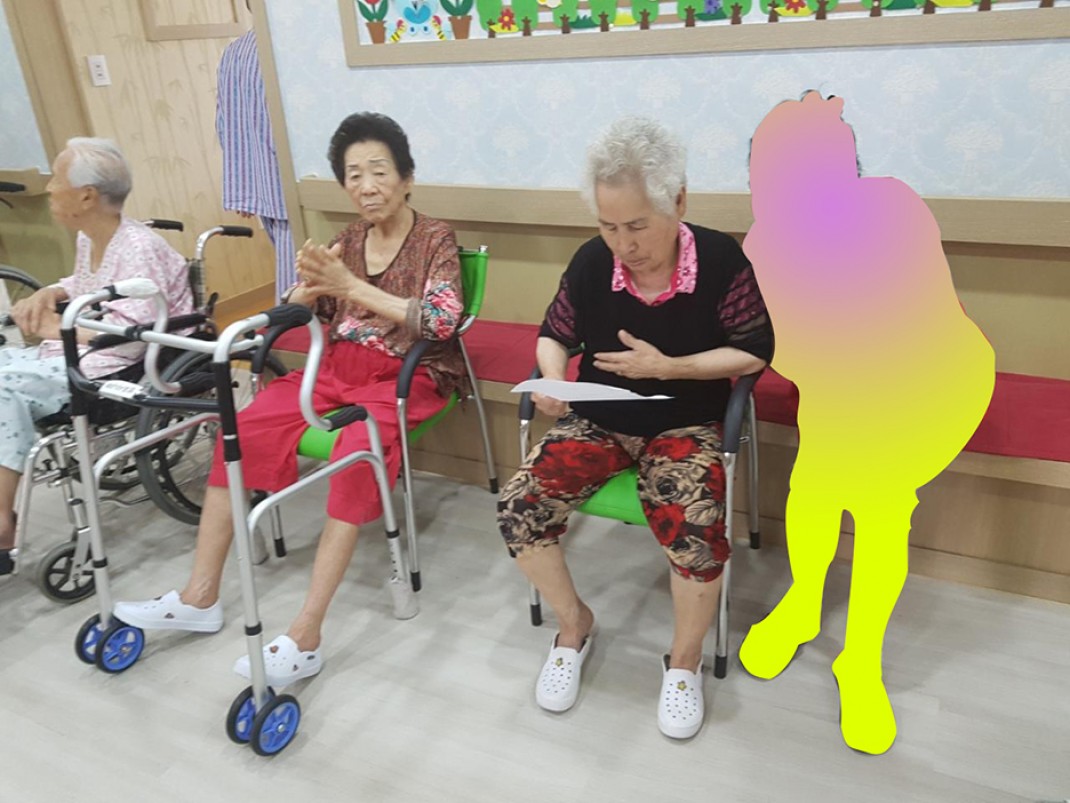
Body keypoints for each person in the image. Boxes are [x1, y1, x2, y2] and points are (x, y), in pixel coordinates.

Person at [114, 112, 466, 687]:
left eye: (379, 171)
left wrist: (350, 286)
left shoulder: (434, 238)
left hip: (408, 374)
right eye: (353, 175)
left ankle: (307, 633)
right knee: (244, 427)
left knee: (355, 453)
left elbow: (441, 321)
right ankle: (200, 595)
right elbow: (309, 308)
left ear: (407, 178)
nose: (367, 185)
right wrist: (304, 291)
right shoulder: (347, 240)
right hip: (337, 367)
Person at [497, 117, 774, 739]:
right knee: (519, 508)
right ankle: (574, 626)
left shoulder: (721, 260)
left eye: (638, 226)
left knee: (695, 527)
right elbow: (554, 333)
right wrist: (551, 378)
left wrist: (670, 367)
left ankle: (683, 662)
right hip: (598, 418)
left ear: (679, 201)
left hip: (685, 423)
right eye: (608, 226)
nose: (623, 244)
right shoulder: (592, 262)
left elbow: (755, 350)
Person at [738, 91, 994, 754]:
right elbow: (785, 349)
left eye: (768, 174)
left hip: (928, 383)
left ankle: (861, 657)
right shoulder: (765, 242)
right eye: (756, 175)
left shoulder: (892, 208)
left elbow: (907, 319)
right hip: (838, 387)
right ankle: (802, 603)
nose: (759, 189)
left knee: (879, 505)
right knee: (814, 488)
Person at [0, 138, 192, 575]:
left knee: (5, 391)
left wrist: (55, 328)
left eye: (56, 179)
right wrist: (52, 291)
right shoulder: (94, 237)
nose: (49, 188)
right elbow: (89, 284)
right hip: (76, 352)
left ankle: (2, 524)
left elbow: (135, 335)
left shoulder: (139, 248)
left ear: (86, 196)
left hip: (120, 364)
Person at [216, 9, 295, 297]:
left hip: (262, 181)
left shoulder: (234, 51)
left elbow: (224, 123)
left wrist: (244, 185)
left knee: (291, 266)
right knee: (300, 280)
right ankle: (289, 326)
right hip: (290, 181)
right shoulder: (285, 46)